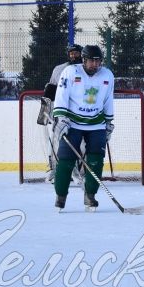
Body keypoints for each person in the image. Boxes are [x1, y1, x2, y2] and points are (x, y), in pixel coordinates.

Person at [51, 45, 115, 211]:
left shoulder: (107, 75)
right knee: (65, 160)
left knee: (96, 161)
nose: (95, 64)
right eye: (91, 61)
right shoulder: (71, 72)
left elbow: (108, 100)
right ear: (84, 60)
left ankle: (90, 195)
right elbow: (61, 96)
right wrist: (61, 118)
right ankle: (61, 196)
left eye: (98, 61)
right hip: (72, 123)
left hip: (97, 124)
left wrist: (109, 123)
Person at [38, 43, 82, 183]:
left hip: (79, 114)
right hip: (61, 112)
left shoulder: (85, 69)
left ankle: (78, 171)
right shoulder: (59, 69)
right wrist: (44, 111)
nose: (73, 55)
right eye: (71, 53)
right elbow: (50, 89)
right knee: (55, 141)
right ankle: (55, 169)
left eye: (76, 52)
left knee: (79, 143)